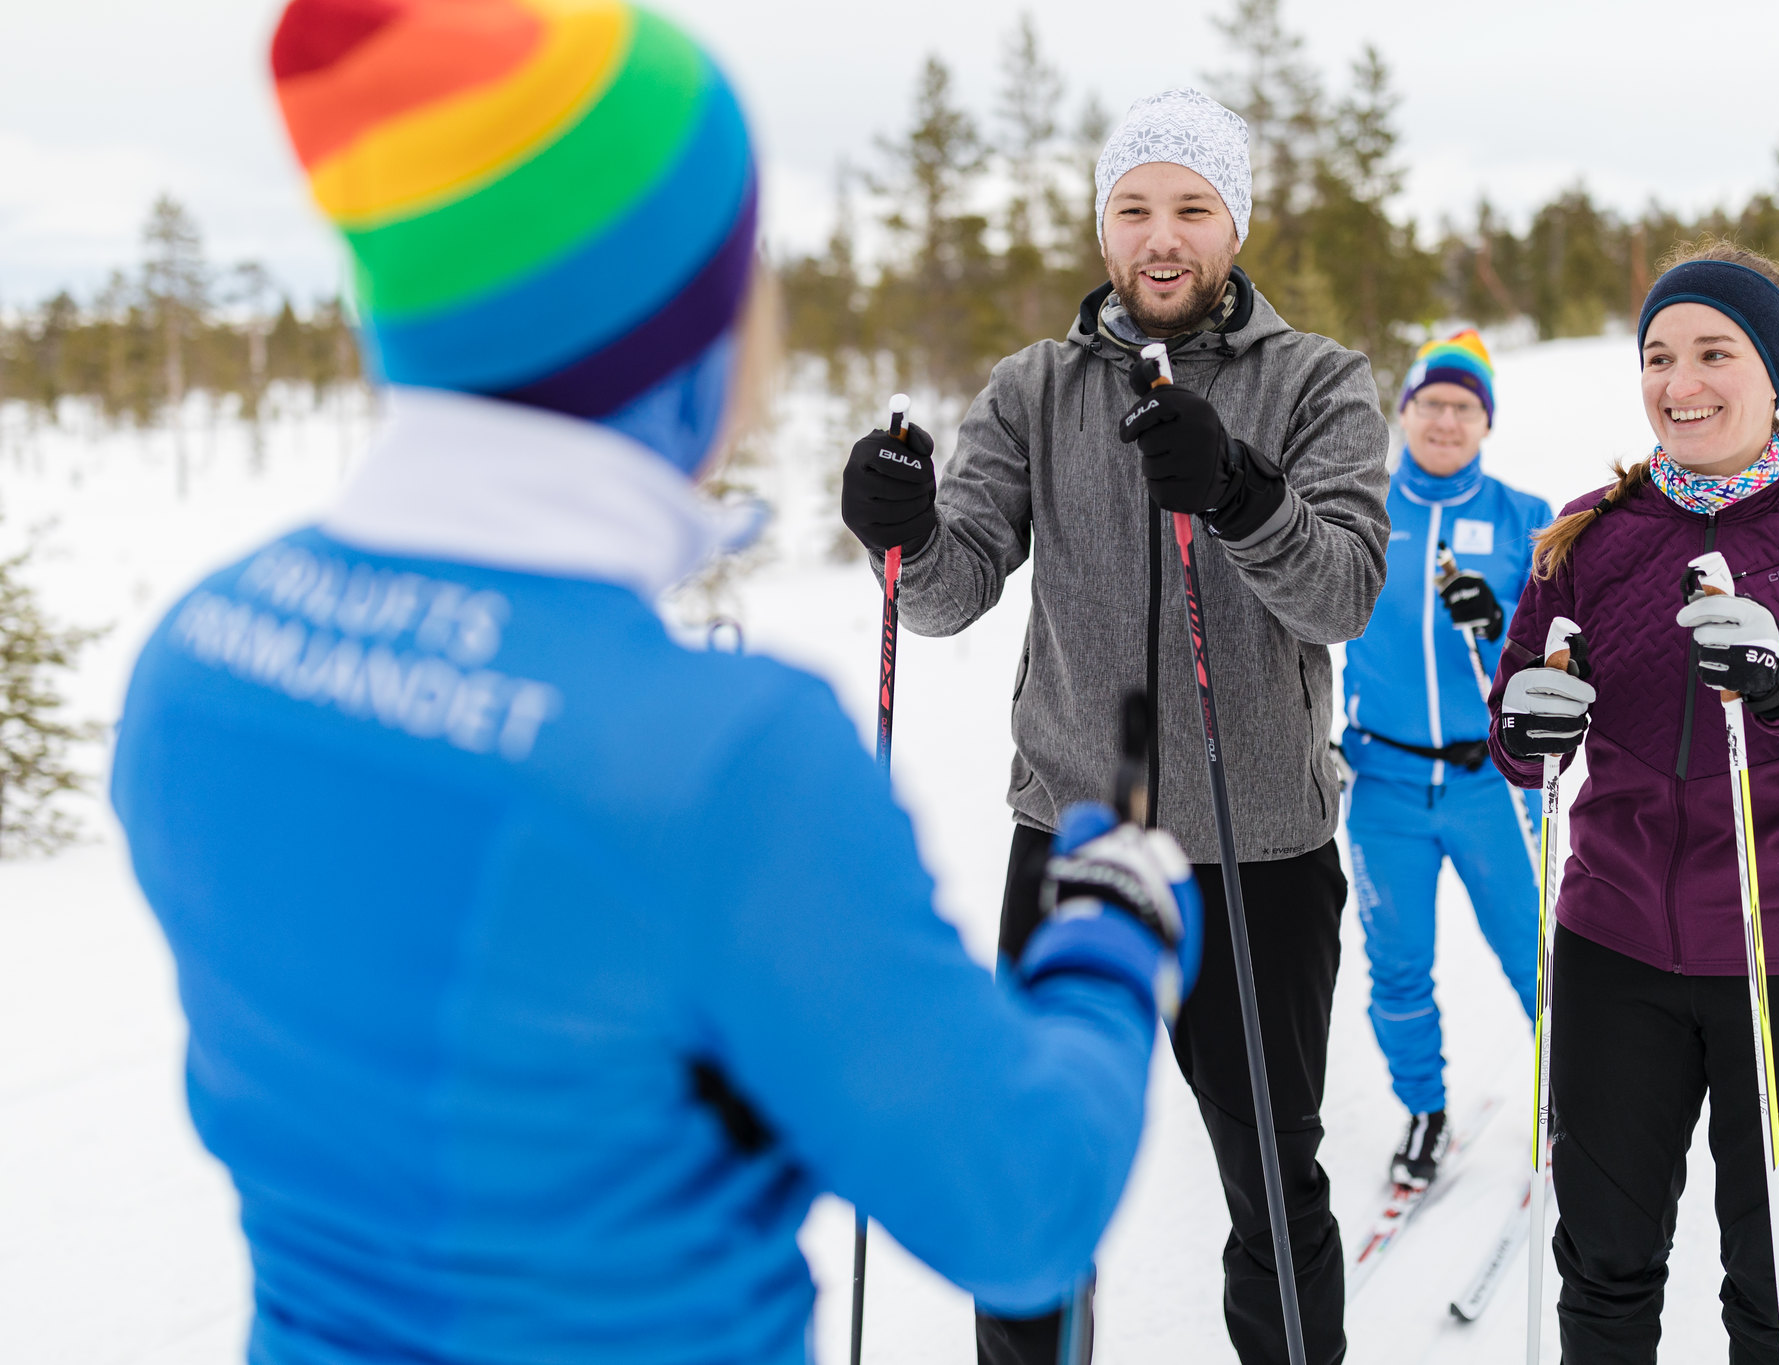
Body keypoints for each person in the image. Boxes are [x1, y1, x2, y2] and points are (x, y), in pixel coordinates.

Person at [107, 5, 1205, 1363]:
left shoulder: (202, 656)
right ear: (678, 325)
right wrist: (1109, 934)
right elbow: (1022, 1204)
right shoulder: (725, 763)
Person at [840, 86, 1389, 1365]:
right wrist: (904, 529)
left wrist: (1242, 492)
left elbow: (1345, 592)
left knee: (1269, 1173)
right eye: (1133, 207)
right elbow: (949, 587)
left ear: (1232, 224)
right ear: (1101, 229)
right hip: (1076, 846)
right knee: (1028, 1179)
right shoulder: (1031, 390)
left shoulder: (1317, 384)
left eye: (1191, 208)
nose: (1161, 236)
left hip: (1259, 855)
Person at [1488, 240, 1779, 1363]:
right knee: (1600, 1269)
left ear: (1772, 373)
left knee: (1778, 1286)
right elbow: (1516, 731)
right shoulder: (1587, 532)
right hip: (1615, 954)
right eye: (1656, 355)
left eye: (1711, 352)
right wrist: (1527, 726)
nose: (1677, 383)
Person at [1337, 329, 1550, 1185]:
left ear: (1486, 421)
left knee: (1537, 954)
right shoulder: (1361, 506)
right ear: (1406, 410)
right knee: (1396, 965)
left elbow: (1563, 658)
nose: (1447, 420)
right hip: (1384, 782)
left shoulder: (1526, 519)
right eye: (1433, 403)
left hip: (1490, 784)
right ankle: (1424, 1110)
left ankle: (1571, 1099)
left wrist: (1498, 624)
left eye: (1466, 407)